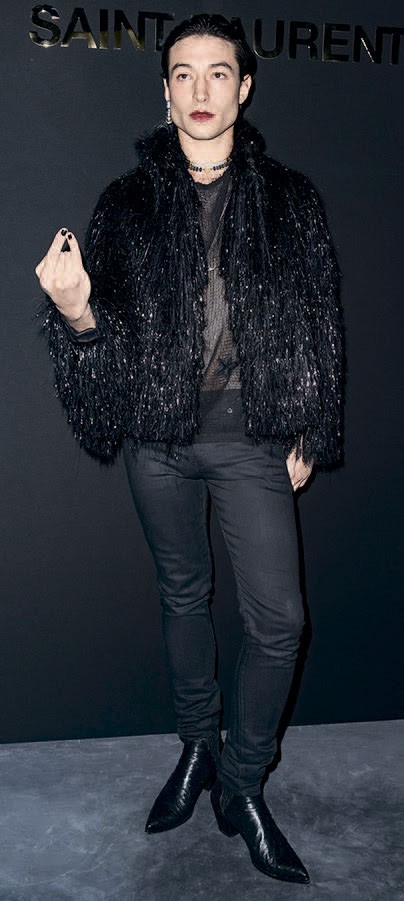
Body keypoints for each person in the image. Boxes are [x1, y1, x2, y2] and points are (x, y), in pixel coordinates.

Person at [35, 14, 344, 885]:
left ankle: (241, 783)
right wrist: (76, 315)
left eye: (217, 73)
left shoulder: (290, 198)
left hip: (252, 438)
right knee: (183, 594)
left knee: (279, 621)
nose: (201, 90)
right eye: (183, 74)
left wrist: (312, 425)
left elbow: (321, 320)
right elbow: (103, 361)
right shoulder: (125, 204)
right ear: (165, 91)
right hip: (159, 439)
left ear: (244, 87)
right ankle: (197, 745)